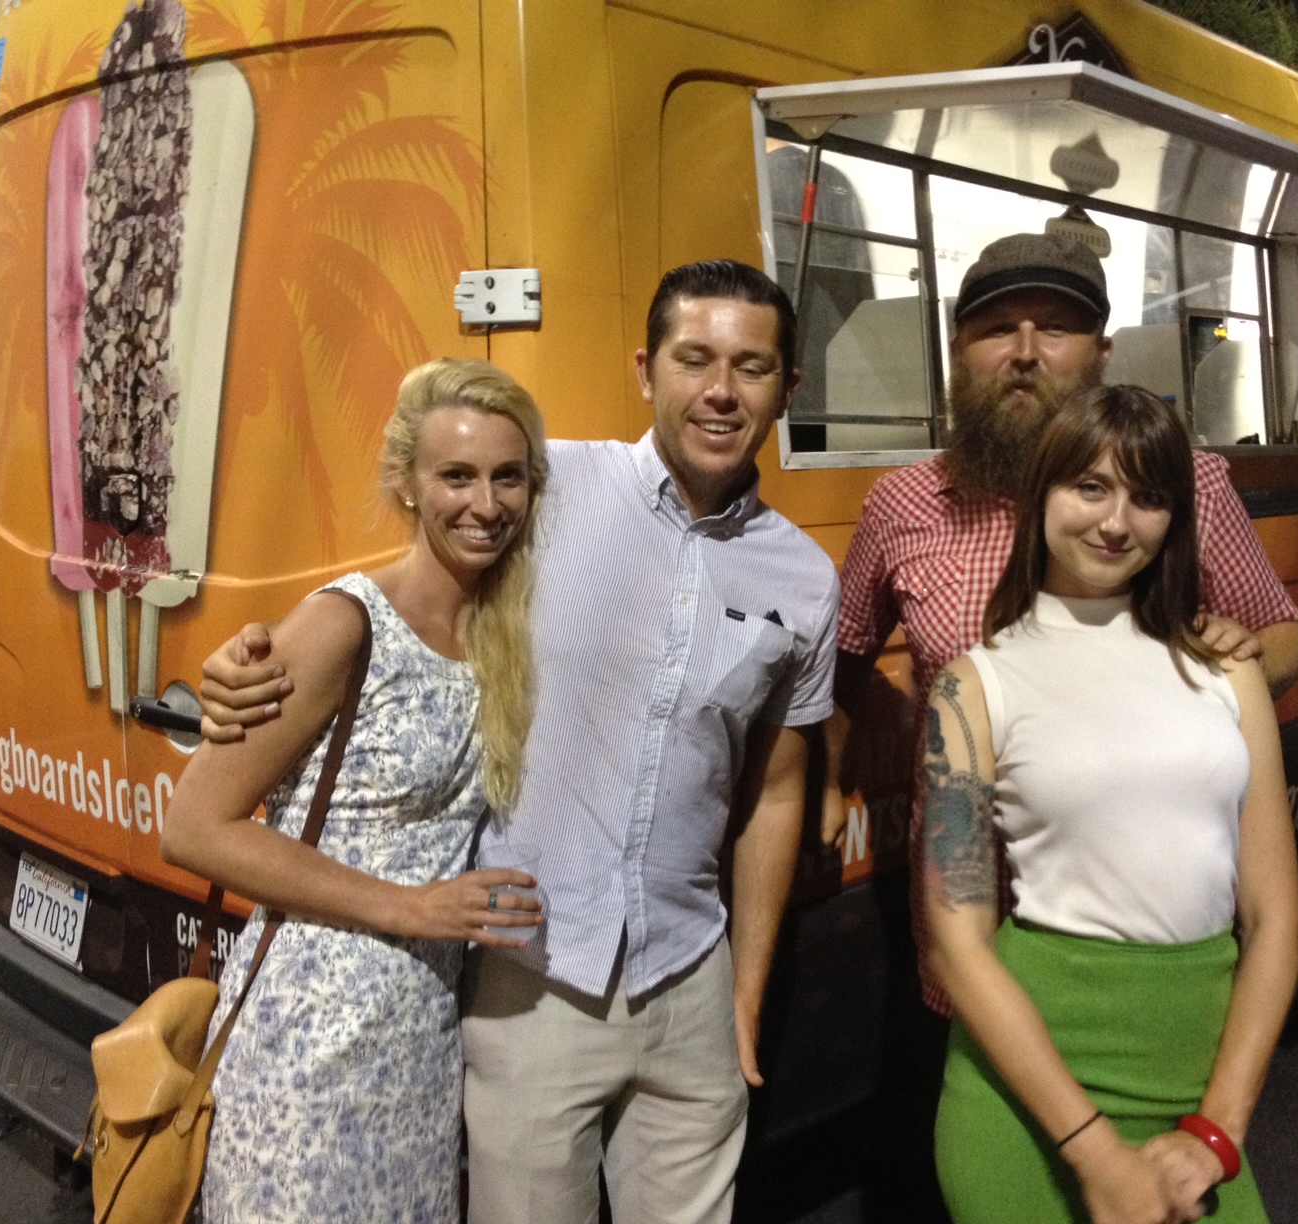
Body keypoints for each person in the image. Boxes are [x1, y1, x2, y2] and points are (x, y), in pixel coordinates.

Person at [197, 260, 840, 1224]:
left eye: (751, 367)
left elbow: (776, 790)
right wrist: (251, 656)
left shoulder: (805, 578)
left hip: (689, 981)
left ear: (788, 389)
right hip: (532, 982)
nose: (719, 389)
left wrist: (745, 996)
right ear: (645, 370)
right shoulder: (545, 486)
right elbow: (411, 576)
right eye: (692, 358)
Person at [826, 233, 1298, 1211]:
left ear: (1100, 352)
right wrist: (852, 760)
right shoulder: (905, 508)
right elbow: (840, 655)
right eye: (995, 330)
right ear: (958, 351)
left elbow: (1284, 632)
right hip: (975, 945)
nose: (1023, 351)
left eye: (1053, 329)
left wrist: (1227, 669)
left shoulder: (1193, 492)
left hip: (1166, 977)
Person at [160, 358, 548, 1222]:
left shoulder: (501, 627)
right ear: (407, 482)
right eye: (456, 476)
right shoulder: (345, 622)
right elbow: (194, 826)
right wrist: (410, 907)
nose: (486, 504)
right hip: (307, 1047)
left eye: (507, 477)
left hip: (416, 1050)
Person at [923, 385, 1298, 1224]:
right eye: (1090, 487)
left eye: (1148, 496)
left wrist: (1218, 1131)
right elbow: (957, 943)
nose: (1116, 522)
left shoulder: (1228, 669)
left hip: (1197, 1080)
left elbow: (1274, 919)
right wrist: (1095, 1154)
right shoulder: (972, 685)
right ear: (1042, 495)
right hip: (1025, 1100)